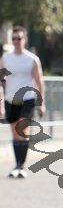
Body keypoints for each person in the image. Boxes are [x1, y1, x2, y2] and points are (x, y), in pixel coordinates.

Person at [0, 25, 46, 178]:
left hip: (27, 99)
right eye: (13, 39)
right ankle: (17, 165)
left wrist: (42, 103)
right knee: (15, 133)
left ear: (24, 39)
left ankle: (21, 166)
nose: (16, 41)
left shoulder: (32, 59)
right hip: (10, 99)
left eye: (19, 38)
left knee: (23, 130)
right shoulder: (5, 59)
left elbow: (39, 82)